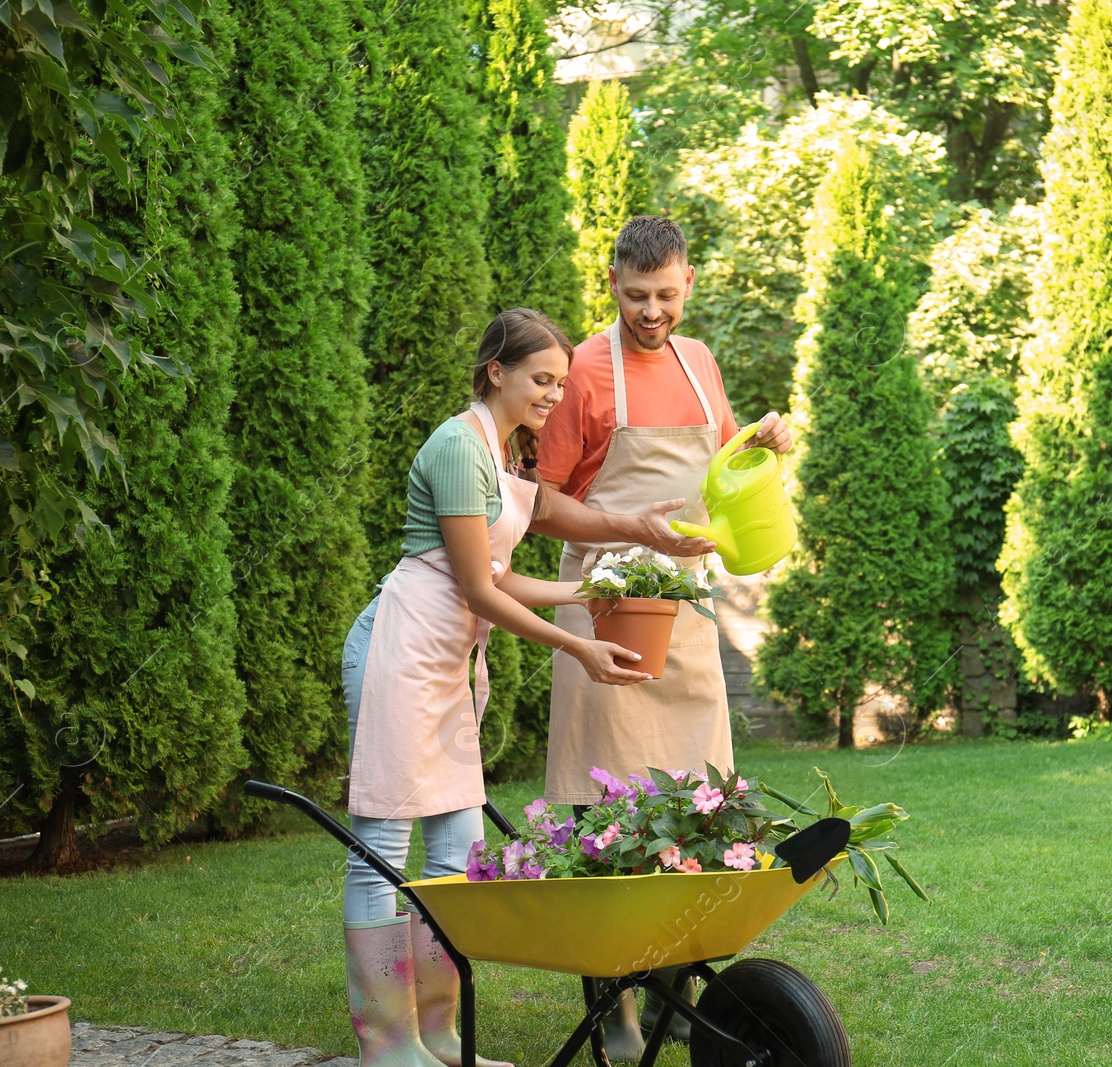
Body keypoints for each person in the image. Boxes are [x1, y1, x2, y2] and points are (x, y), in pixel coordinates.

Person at [339, 308, 711, 1067]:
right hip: (399, 650)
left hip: (446, 661)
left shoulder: (501, 455)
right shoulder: (457, 446)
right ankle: (386, 1043)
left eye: (560, 382)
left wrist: (638, 534)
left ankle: (439, 1036)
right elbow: (480, 587)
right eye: (542, 379)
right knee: (381, 846)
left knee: (456, 850)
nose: (553, 394)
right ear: (495, 371)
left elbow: (548, 519)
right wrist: (577, 643)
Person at [536, 216, 793, 1058]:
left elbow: (717, 468)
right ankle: (614, 1010)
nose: (653, 312)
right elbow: (540, 506)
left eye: (668, 295)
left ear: (689, 283)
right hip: (604, 605)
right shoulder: (580, 369)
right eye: (637, 295)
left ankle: (678, 1002)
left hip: (685, 612)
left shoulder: (700, 361)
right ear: (612, 281)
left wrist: (758, 441)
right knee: (607, 812)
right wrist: (635, 530)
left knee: (692, 814)